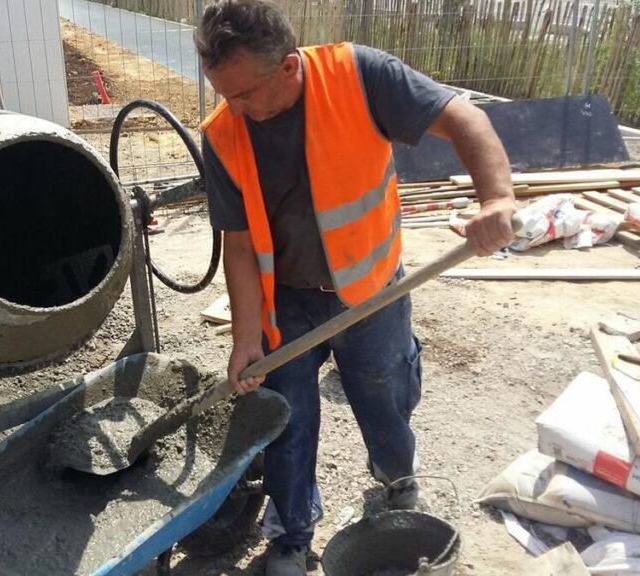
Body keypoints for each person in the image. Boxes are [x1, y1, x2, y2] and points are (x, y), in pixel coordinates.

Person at [193, 1, 516, 574]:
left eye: (242, 94)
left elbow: (465, 117)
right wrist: (245, 336)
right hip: (285, 301)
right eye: (223, 94)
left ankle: (397, 486)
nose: (232, 108)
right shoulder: (223, 135)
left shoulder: (361, 76)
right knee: (286, 419)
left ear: (288, 68)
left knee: (384, 399)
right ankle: (291, 534)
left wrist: (496, 200)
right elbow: (239, 245)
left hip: (373, 292)